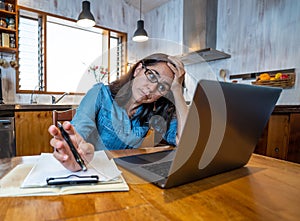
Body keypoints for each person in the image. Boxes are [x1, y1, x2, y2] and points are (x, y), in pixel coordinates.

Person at [48, 53, 188, 171]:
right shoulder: (100, 93)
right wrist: (74, 148)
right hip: (91, 169)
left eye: (163, 87)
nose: (151, 88)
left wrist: (177, 90)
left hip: (124, 173)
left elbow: (185, 141)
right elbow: (79, 129)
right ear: (138, 69)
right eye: (152, 76)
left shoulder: (153, 112)